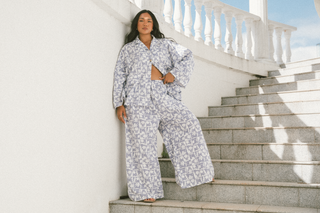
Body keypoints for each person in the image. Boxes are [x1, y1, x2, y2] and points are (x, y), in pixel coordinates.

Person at [112, 9, 215, 203]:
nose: (145, 23)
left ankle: (200, 173)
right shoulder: (128, 49)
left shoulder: (165, 45)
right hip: (137, 101)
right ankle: (146, 191)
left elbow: (187, 56)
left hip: (162, 95)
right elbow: (120, 76)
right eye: (141, 20)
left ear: (153, 25)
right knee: (142, 147)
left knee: (189, 123)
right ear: (136, 25)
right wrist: (119, 103)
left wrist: (173, 74)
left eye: (148, 20)